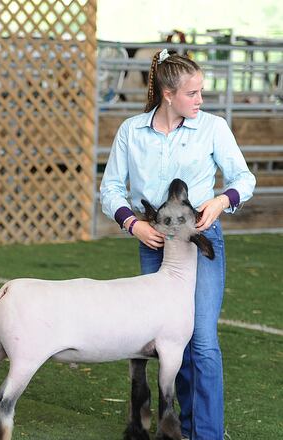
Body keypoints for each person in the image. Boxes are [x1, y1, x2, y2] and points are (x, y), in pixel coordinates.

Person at [100, 49, 256, 439]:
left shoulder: (213, 128)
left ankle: (206, 434)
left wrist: (222, 201)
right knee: (169, 342)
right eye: (194, 93)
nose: (201, 100)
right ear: (169, 94)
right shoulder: (132, 132)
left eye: (201, 92)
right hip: (152, 241)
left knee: (201, 341)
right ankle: (181, 428)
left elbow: (244, 178)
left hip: (199, 241)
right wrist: (132, 223)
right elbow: (111, 189)